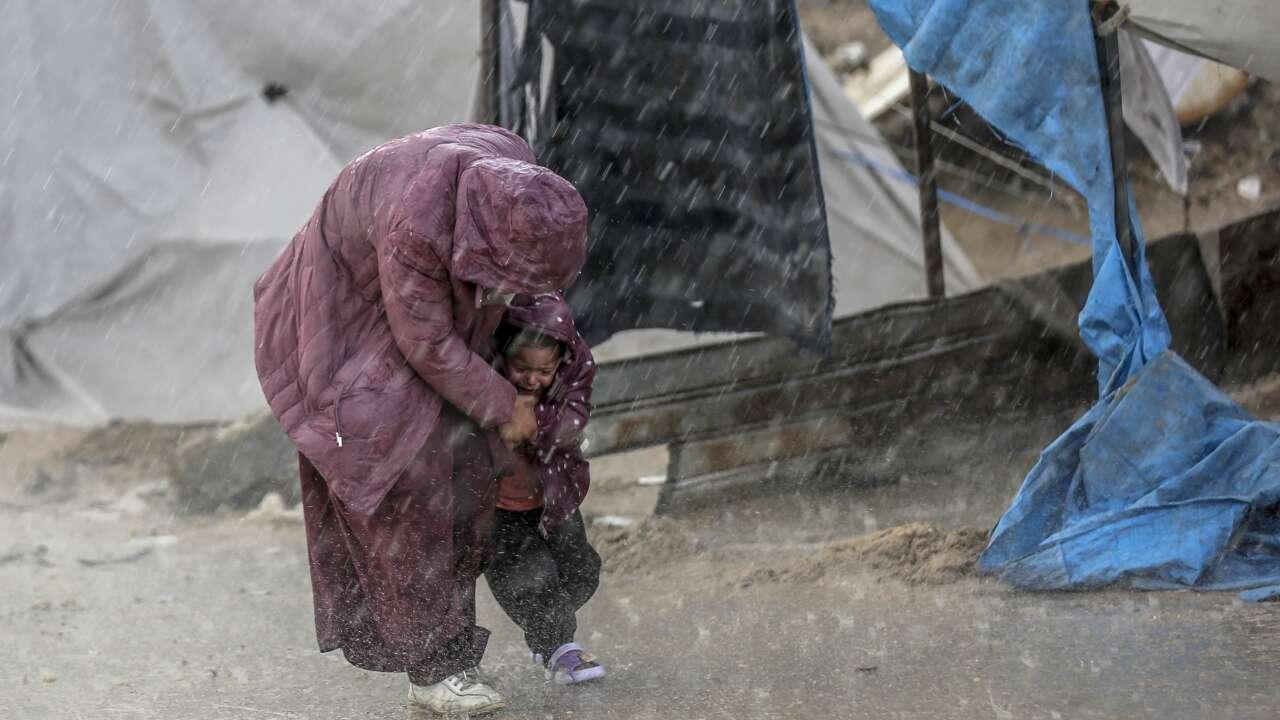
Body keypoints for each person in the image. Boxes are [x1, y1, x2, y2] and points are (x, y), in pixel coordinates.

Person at [252, 124, 588, 716]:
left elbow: (527, 290)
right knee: (409, 477)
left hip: (411, 299)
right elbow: (428, 341)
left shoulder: (514, 174)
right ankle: (437, 669)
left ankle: (453, 647)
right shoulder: (417, 224)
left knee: (466, 465)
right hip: (337, 312)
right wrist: (503, 404)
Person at [486, 293, 605, 685]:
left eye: (544, 371)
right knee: (529, 577)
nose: (533, 379)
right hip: (500, 508)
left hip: (554, 497)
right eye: (522, 368)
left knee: (582, 570)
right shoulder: (485, 387)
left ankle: (546, 625)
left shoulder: (568, 387)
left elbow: (573, 419)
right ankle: (561, 649)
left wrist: (533, 419)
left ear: (561, 365)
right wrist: (505, 406)